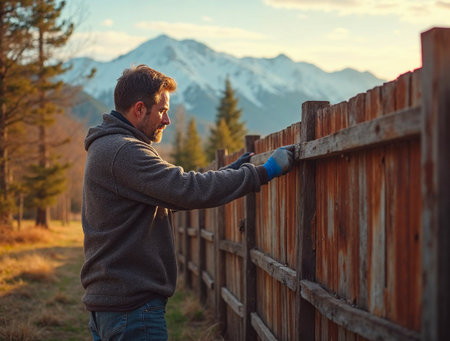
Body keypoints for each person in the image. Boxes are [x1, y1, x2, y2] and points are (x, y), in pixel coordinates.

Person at [81, 64, 294, 341]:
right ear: (139, 109)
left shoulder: (110, 146)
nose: (167, 120)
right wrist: (264, 172)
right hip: (131, 310)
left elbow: (170, 192)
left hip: (115, 305)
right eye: (162, 110)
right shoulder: (124, 150)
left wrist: (229, 173)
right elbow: (185, 189)